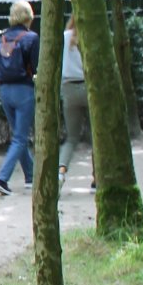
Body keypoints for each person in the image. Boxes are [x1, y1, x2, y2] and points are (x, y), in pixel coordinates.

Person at [0, 0, 40, 196]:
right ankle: (1, 179)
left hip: (4, 91)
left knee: (19, 136)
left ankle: (31, 177)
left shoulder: (1, 40)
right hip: (23, 91)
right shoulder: (31, 38)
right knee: (19, 138)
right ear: (29, 16)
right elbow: (36, 68)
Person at [59, 16, 92, 183]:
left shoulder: (63, 37)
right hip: (89, 87)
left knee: (71, 138)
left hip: (68, 88)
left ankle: (61, 170)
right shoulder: (91, 36)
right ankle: (98, 176)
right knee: (96, 137)